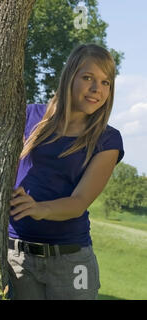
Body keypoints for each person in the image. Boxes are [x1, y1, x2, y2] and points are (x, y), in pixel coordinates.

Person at [7, 44, 124, 300]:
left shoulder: (108, 140)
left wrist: (40, 209)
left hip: (71, 263)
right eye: (88, 78)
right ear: (69, 76)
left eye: (106, 82)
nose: (97, 89)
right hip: (16, 258)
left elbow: (79, 202)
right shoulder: (29, 116)